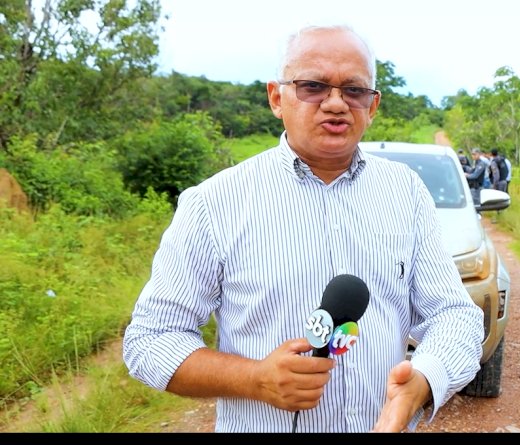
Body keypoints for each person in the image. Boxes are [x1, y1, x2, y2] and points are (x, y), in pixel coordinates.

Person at [122, 25, 484, 433]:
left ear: (373, 105)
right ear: (277, 97)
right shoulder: (214, 204)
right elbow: (151, 341)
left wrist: (421, 382)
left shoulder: (406, 193)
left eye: (353, 90)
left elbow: (454, 315)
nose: (335, 104)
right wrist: (255, 378)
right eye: (313, 86)